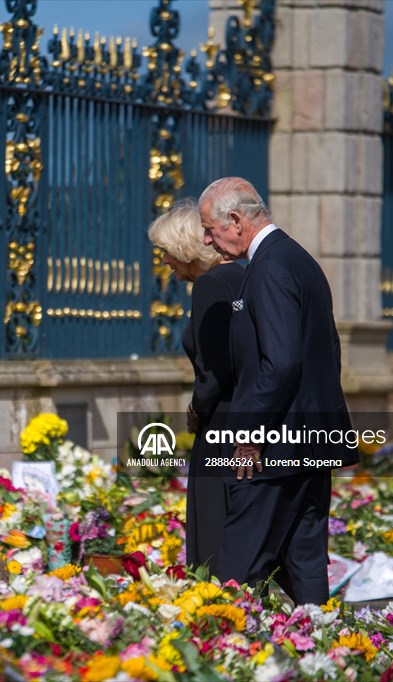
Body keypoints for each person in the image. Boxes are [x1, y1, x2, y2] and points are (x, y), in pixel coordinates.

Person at [199, 177, 357, 605]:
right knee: (305, 562)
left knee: (237, 568)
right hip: (313, 437)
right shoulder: (298, 258)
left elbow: (282, 361)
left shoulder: (268, 266)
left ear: (235, 220)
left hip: (277, 446)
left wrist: (250, 433)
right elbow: (325, 349)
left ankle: (222, 657)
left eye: (210, 229)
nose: (207, 240)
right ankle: (322, 654)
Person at [147, 198, 244, 574]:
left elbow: (214, 367)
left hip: (219, 422)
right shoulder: (242, 274)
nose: (166, 262)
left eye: (167, 252)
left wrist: (196, 409)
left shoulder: (209, 285)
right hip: (251, 421)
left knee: (211, 529)